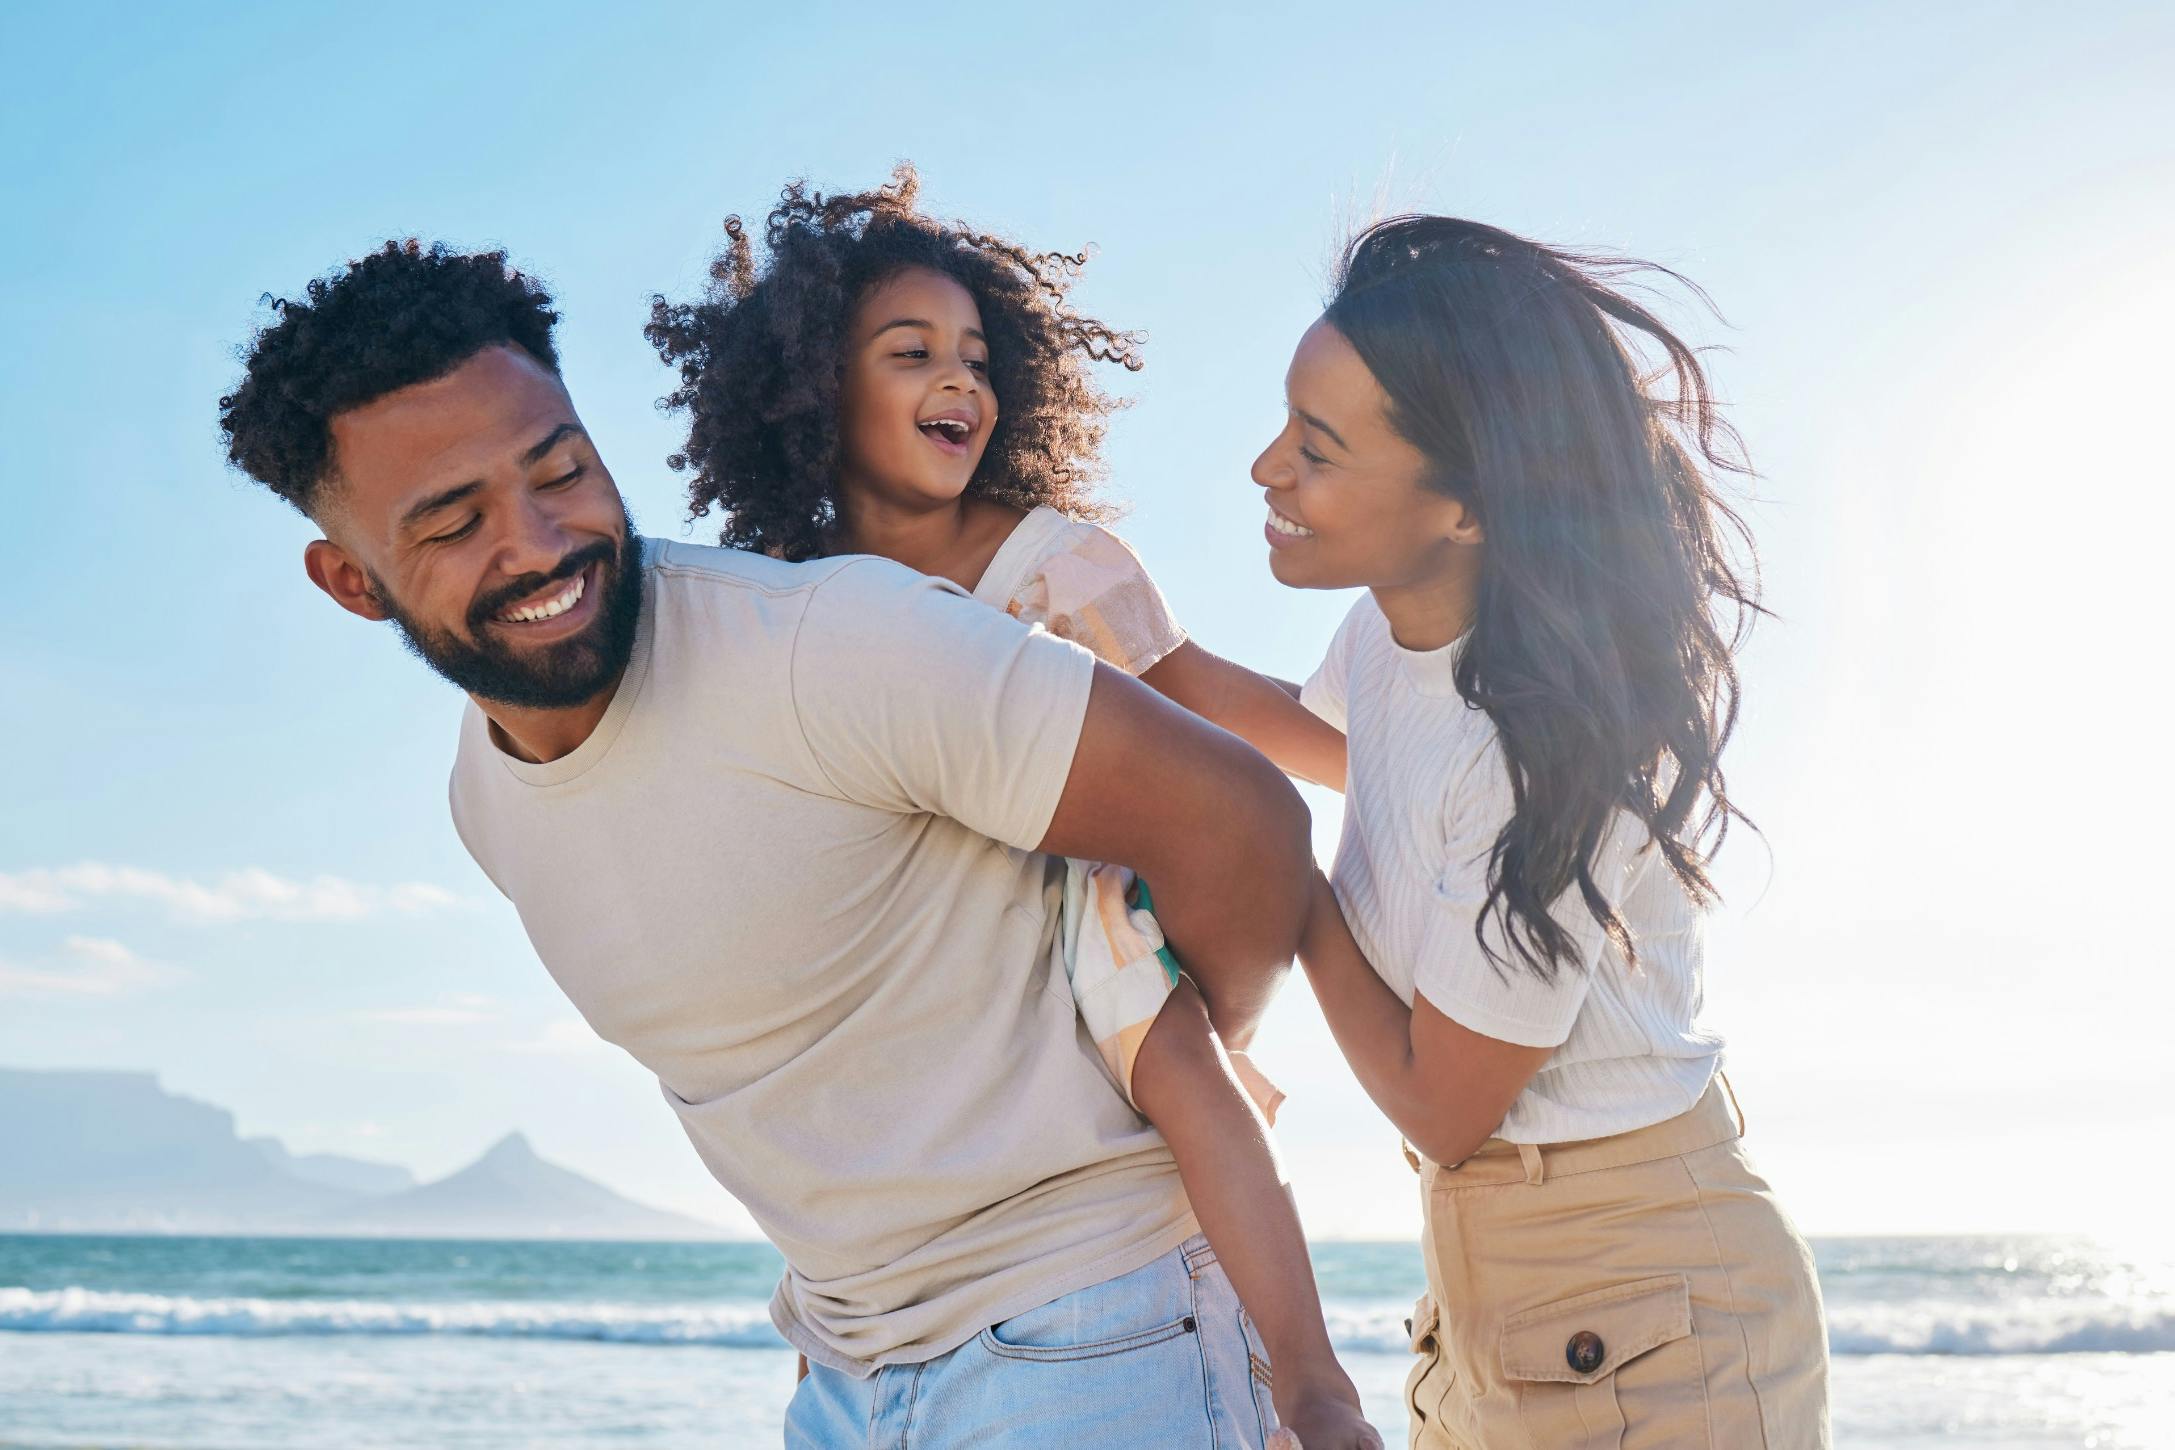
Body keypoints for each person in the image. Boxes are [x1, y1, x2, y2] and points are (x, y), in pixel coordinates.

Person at [217, 239, 1318, 1447]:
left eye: (561, 470)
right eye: (451, 522)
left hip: (1092, 1332)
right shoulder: (486, 801)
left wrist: (1163, 1051)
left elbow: (1244, 821)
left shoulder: (831, 648)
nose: (536, 543)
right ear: (351, 581)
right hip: (845, 1373)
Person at [646, 168, 1373, 1449]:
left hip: (1071, 900)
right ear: (818, 387)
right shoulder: (794, 603)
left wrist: (1382, 765)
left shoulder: (1047, 560)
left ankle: (1314, 1385)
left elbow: (1199, 692)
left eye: (977, 357)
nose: (959, 381)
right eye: (912, 351)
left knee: (1186, 1076)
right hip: (922, 951)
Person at [1257, 216, 1831, 1447]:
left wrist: (1285, 889)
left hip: (1648, 1312)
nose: (1267, 470)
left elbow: (1442, 1105)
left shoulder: (1549, 751)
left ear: (1465, 505)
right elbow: (1346, 756)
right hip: (1495, 1290)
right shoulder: (1392, 636)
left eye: (1315, 450)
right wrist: (1110, 635)